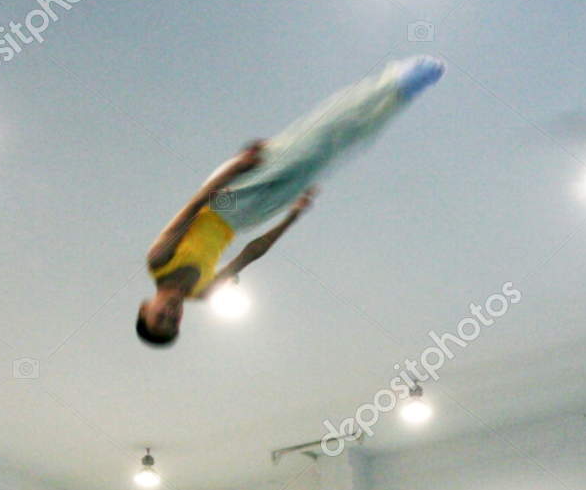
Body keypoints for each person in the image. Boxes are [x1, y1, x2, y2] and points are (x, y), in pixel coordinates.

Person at [137, 55, 446, 346]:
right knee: (326, 157)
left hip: (222, 202)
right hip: (245, 220)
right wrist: (291, 217)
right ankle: (398, 98)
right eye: (173, 322)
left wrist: (236, 166)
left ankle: (394, 81)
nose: (170, 314)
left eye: (160, 316)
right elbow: (251, 253)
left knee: (311, 144)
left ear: (144, 308)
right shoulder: (202, 293)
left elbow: (193, 206)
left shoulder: (159, 260)